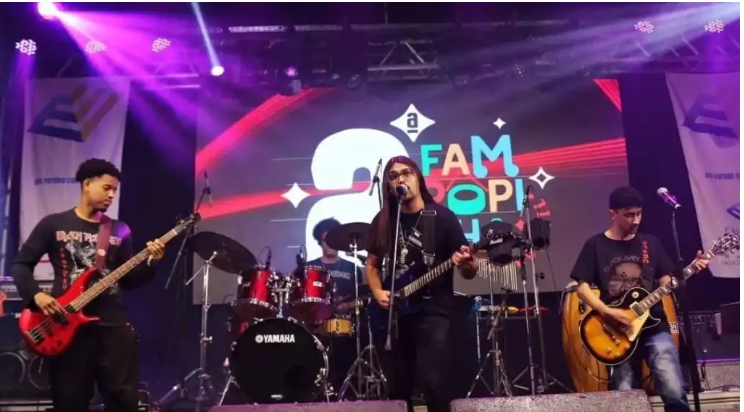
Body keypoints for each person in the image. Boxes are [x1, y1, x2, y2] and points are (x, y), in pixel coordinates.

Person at [11, 158, 166, 412]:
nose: (111, 195)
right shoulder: (53, 224)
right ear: (86, 184)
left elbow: (129, 280)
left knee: (123, 402)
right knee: (70, 402)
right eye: (106, 188)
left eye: (114, 190)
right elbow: (20, 265)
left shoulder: (119, 230)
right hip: (67, 327)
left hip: (113, 327)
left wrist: (151, 264)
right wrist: (36, 296)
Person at [570, 186, 708, 412]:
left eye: (638, 214)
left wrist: (691, 270)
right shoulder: (595, 245)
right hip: (617, 330)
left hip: (655, 325)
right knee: (624, 396)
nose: (635, 220)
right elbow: (582, 288)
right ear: (613, 214)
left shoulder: (650, 243)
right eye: (629, 215)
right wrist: (607, 311)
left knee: (673, 389)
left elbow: (666, 281)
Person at [365, 156, 477, 412]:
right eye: (393, 176)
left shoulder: (442, 217)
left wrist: (467, 263)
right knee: (398, 387)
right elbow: (372, 265)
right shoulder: (384, 221)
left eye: (407, 173)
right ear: (388, 186)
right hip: (395, 312)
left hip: (434, 308)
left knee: (434, 382)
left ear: (418, 179)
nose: (401, 179)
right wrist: (377, 291)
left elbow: (469, 272)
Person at [305, 217, 365, 396]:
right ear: (319, 242)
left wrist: (347, 305)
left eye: (333, 239)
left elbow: (361, 299)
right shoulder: (310, 268)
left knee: (346, 362)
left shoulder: (352, 268)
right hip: (315, 329)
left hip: (345, 328)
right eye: (326, 240)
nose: (330, 244)